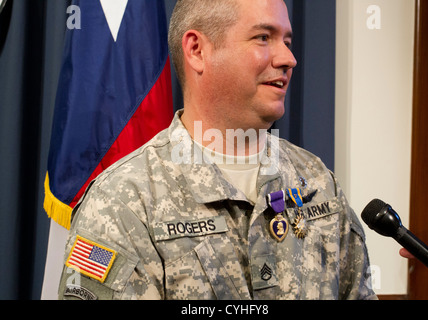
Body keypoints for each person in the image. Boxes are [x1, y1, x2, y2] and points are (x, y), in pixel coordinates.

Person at [58, 0, 377, 300]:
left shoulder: (317, 182)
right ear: (197, 50)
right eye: (264, 37)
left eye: (288, 42)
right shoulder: (123, 201)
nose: (288, 59)